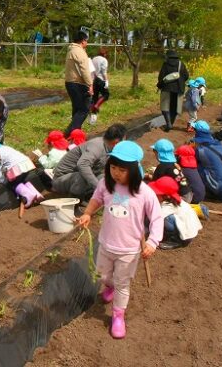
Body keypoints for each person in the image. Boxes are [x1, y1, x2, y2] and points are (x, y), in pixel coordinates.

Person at [76, 141, 163, 339]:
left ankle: (118, 316)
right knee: (103, 275)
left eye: (122, 169)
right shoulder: (105, 185)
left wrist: (152, 242)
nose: (116, 173)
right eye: (113, 167)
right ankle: (109, 287)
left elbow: (157, 218)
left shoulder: (144, 192)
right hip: (106, 243)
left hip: (129, 250)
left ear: (133, 170)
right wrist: (88, 213)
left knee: (123, 283)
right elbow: (97, 199)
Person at [52, 123, 127, 203]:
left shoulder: (109, 147)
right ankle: (74, 203)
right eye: (124, 140)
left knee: (106, 178)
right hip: (62, 179)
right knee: (81, 177)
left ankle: (89, 197)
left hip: (77, 177)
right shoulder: (97, 146)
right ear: (116, 142)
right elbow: (82, 165)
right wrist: (97, 186)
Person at [0, 139, 45, 208]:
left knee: (12, 184)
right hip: (27, 163)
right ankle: (37, 195)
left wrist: (1, 180)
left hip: (17, 167)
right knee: (21, 181)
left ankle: (28, 197)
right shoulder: (4, 148)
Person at [148, 176, 203, 250]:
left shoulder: (168, 206)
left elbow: (156, 219)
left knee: (165, 219)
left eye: (157, 194)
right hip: (189, 230)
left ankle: (175, 240)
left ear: (166, 196)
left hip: (185, 236)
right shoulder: (174, 200)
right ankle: (172, 235)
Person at [64, 31, 93, 136]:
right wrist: (90, 84)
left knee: (76, 108)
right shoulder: (79, 51)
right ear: (82, 41)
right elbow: (84, 70)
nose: (87, 43)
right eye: (86, 41)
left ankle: (76, 133)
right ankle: (69, 132)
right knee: (85, 108)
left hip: (70, 82)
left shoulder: (71, 50)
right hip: (77, 83)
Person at [156, 50, 189, 132]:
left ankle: (168, 124)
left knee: (165, 107)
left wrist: (159, 85)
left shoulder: (166, 64)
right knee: (174, 108)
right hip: (179, 89)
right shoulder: (181, 64)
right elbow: (186, 76)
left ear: (168, 56)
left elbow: (161, 77)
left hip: (167, 89)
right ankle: (171, 123)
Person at [89, 47, 110, 125]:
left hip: (94, 80)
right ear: (104, 54)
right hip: (100, 79)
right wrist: (106, 81)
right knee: (106, 94)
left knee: (95, 97)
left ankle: (92, 120)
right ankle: (96, 106)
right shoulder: (104, 60)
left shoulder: (94, 59)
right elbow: (104, 72)